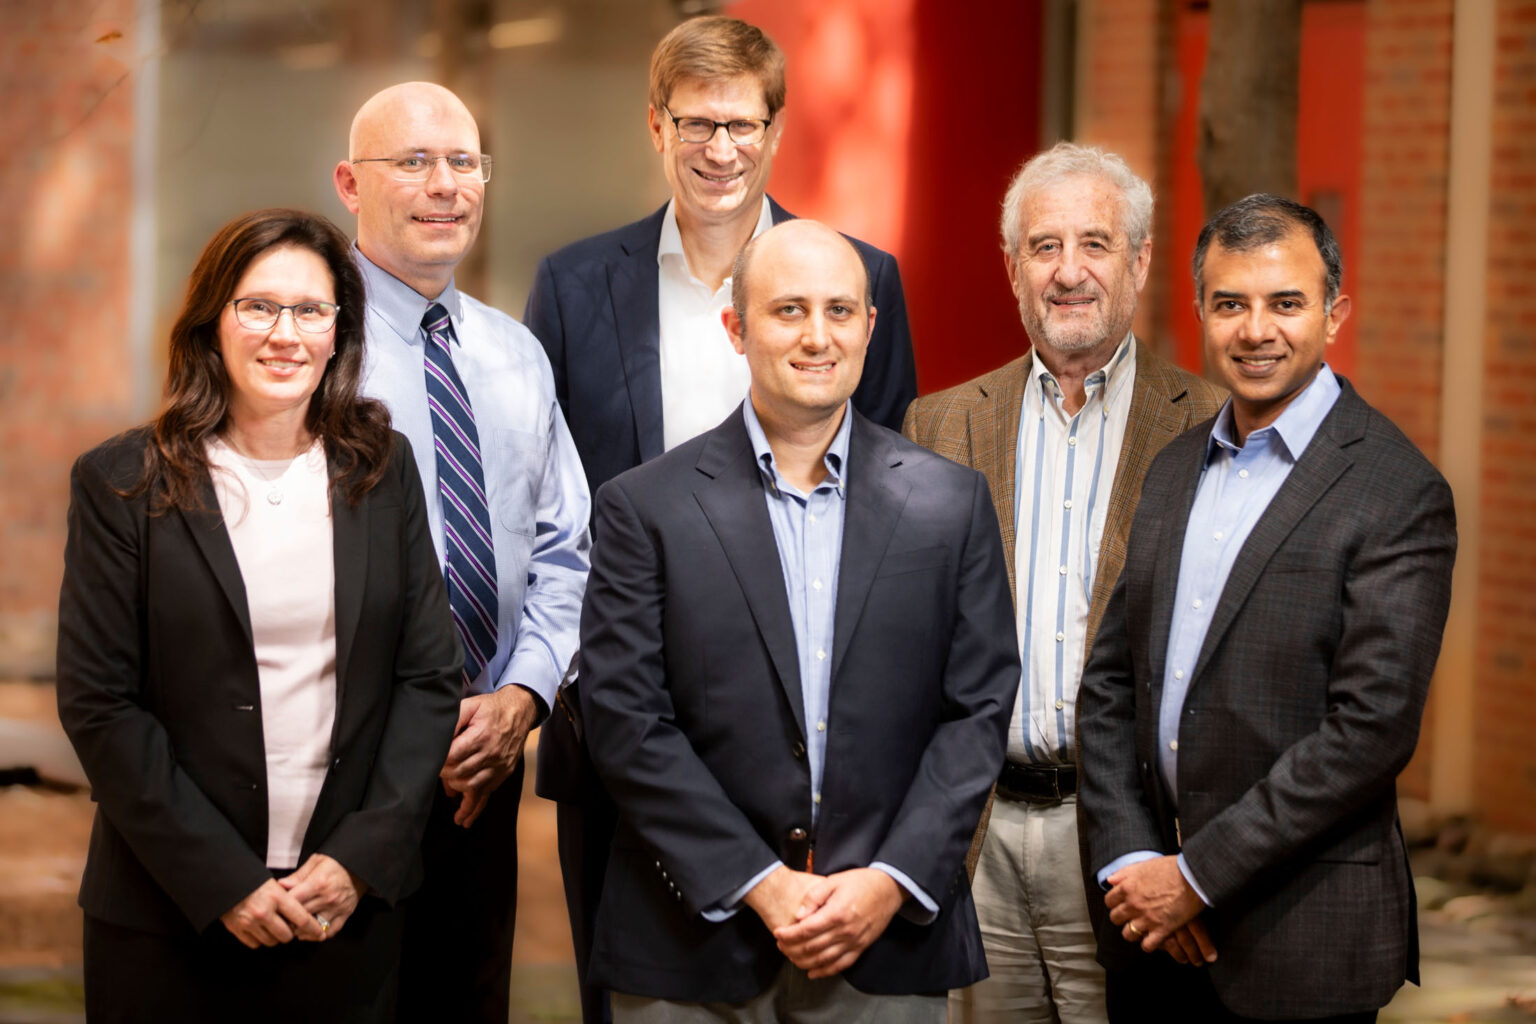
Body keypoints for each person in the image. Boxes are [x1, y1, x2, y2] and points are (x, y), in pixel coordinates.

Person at [523, 17, 918, 1020]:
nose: (721, 150)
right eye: (697, 124)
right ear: (656, 126)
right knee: (631, 998)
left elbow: (885, 496)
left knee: (813, 984)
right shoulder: (574, 289)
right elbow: (547, 504)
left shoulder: (857, 283)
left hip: (807, 726)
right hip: (629, 719)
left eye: (743, 124)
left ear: (776, 130)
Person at [576, 219, 1018, 1022]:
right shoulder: (644, 507)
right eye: (788, 311)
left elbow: (979, 710)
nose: (818, 337)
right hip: (689, 940)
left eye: (841, 312)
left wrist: (890, 881)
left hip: (886, 939)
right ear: (736, 328)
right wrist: (761, 883)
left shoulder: (952, 503)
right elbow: (625, 721)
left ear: (871, 327)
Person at [55, 208, 463, 1023]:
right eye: (259, 307)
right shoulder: (123, 482)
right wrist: (225, 878)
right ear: (213, 321)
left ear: (339, 329)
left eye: (311, 310)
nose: (287, 334)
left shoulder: (383, 471)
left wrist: (359, 860)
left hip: (340, 909)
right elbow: (100, 704)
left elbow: (427, 678)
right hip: (167, 914)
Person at [1076, 194, 1457, 1022]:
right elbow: (1111, 682)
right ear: (1202, 313)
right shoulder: (1176, 467)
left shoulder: (1396, 491)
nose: (1256, 330)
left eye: (1286, 302)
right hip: (1149, 933)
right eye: (1231, 303)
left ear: (1334, 313)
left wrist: (1197, 876)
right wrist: (1136, 860)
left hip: (1301, 940)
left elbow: (1371, 731)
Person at [901, 142, 1224, 1022]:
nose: (1069, 271)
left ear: (1141, 260)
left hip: (1129, 841)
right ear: (1012, 270)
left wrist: (1196, 857)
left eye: (1096, 243)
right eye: (1044, 247)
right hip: (981, 834)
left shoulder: (1208, 428)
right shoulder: (939, 425)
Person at [332, 82, 591, 1023]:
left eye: (465, 161)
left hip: (484, 765)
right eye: (414, 162)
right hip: (345, 771)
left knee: (468, 997)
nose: (446, 186)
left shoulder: (515, 353)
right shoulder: (311, 348)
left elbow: (570, 547)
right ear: (348, 185)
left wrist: (522, 695)